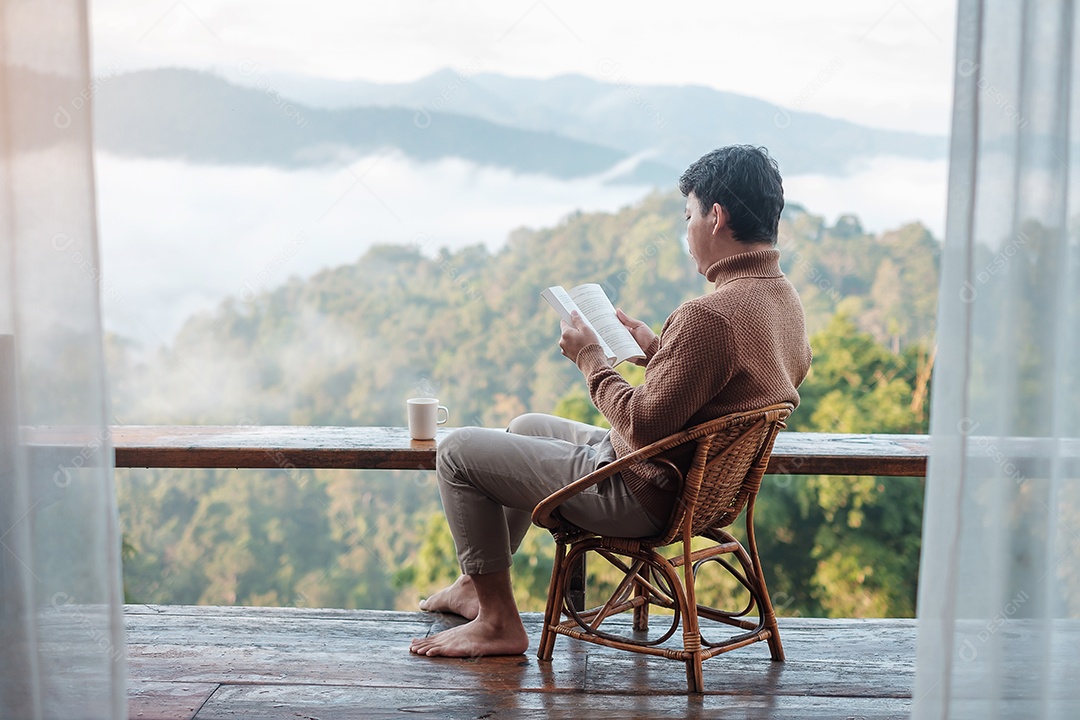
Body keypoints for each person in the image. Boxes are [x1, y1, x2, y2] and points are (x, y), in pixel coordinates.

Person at [409, 145, 812, 658]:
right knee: (526, 424)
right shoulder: (782, 299)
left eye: (687, 215)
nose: (685, 232)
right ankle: (475, 585)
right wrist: (660, 353)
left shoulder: (710, 315)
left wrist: (591, 360)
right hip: (697, 487)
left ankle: (499, 624)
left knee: (458, 451)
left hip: (642, 492)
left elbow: (643, 426)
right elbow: (749, 382)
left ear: (717, 217)